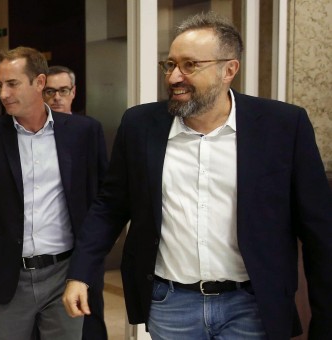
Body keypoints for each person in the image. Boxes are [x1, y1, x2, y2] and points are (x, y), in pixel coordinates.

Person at [63, 11, 332, 340]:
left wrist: (324, 318)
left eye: (190, 65)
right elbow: (110, 207)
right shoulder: (139, 126)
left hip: (251, 305)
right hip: (171, 304)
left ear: (228, 70)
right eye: (170, 64)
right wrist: (80, 273)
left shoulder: (282, 126)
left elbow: (320, 229)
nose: (175, 76)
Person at [0, 46, 108, 339]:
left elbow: (101, 206)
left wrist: (88, 268)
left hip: (65, 273)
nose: (3, 94)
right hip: (9, 276)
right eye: (0, 85)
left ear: (39, 83)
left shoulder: (83, 133)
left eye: (12, 84)